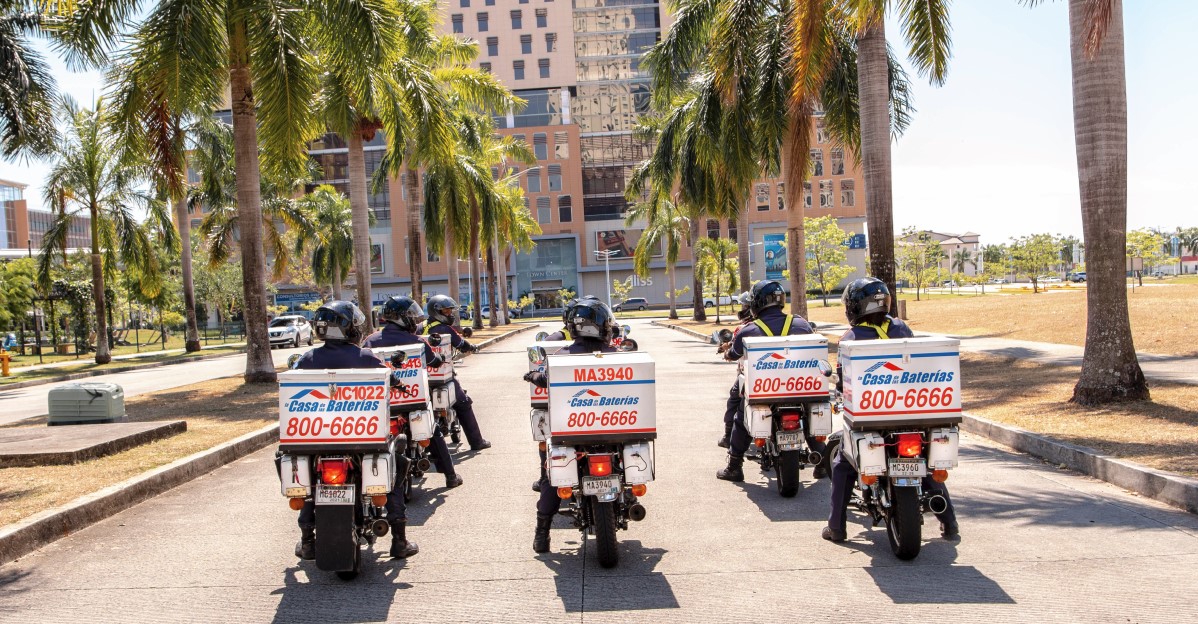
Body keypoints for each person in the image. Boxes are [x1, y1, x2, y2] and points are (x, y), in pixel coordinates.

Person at [822, 277, 959, 542]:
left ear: (853, 306)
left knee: (843, 466)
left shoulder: (850, 338)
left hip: (872, 418)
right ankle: (950, 523)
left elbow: (843, 376)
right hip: (916, 412)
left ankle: (837, 527)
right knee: (927, 465)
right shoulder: (901, 328)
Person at [292, 301, 419, 560]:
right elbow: (389, 378)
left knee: (306, 479)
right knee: (397, 462)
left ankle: (307, 540)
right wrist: (397, 383)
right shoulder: (364, 357)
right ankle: (399, 540)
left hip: (316, 436)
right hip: (361, 436)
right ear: (350, 328)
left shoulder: (307, 359)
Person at [522, 298, 619, 554]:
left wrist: (532, 375)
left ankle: (542, 534)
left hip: (572, 433)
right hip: (614, 430)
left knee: (552, 473)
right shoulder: (616, 356)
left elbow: (541, 378)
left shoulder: (561, 357)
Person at [716, 280, 825, 482]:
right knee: (810, 418)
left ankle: (734, 466)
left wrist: (727, 353)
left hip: (764, 393)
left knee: (742, 419)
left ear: (756, 303)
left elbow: (733, 354)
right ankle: (823, 464)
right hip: (801, 389)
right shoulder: (802, 324)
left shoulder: (748, 330)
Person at [363, 296, 464, 489]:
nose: (414, 320)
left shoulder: (370, 341)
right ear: (403, 318)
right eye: (411, 316)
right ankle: (450, 476)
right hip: (412, 401)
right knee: (433, 431)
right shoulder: (415, 341)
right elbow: (434, 361)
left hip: (378, 405)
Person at [420, 295, 491, 451]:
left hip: (421, 377)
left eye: (450, 310)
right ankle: (476, 442)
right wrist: (472, 347)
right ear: (437, 311)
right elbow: (462, 345)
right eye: (446, 310)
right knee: (464, 402)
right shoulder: (444, 329)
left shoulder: (421, 326)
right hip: (442, 375)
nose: (450, 313)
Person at [716, 292, 755, 449]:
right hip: (782, 378)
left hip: (750, 376)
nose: (742, 308)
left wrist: (726, 351)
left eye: (744, 306)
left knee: (734, 400)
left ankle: (728, 438)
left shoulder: (744, 328)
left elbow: (733, 351)